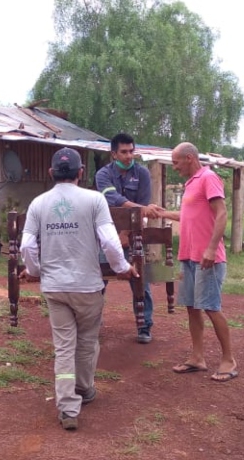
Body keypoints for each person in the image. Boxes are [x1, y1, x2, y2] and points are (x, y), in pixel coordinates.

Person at [20, 147, 138, 430]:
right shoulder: (94, 200)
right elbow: (110, 243)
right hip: (87, 287)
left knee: (64, 348)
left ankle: (68, 408)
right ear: (81, 173)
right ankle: (85, 389)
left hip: (55, 288)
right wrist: (123, 268)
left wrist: (34, 271)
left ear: (51, 173)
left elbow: (26, 246)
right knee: (86, 341)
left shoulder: (38, 203)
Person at [162, 142, 238, 382]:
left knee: (211, 307)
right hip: (189, 256)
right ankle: (197, 358)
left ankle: (229, 360)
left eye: (175, 162)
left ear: (189, 158)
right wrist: (161, 212)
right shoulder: (191, 183)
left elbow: (222, 213)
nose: (174, 167)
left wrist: (212, 248)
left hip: (207, 259)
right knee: (192, 307)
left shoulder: (209, 177)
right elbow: (188, 216)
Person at [94, 133, 164, 344]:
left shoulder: (142, 173)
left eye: (131, 151)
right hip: (106, 235)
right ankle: (92, 323)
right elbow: (111, 199)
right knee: (98, 281)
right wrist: (117, 235)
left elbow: (142, 208)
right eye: (124, 152)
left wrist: (125, 234)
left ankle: (144, 326)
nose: (129, 156)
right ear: (113, 153)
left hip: (134, 237)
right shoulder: (102, 174)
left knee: (140, 281)